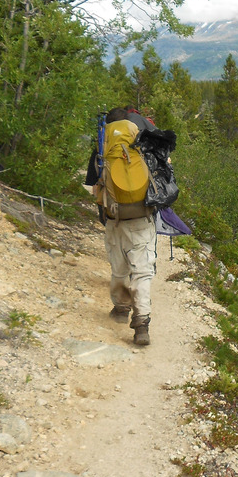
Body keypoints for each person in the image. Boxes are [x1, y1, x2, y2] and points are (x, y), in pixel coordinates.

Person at [85, 106, 157, 347]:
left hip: (114, 218)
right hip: (142, 219)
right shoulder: (143, 145)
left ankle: (120, 309)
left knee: (119, 268)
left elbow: (92, 186)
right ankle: (141, 324)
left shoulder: (103, 148)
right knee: (142, 272)